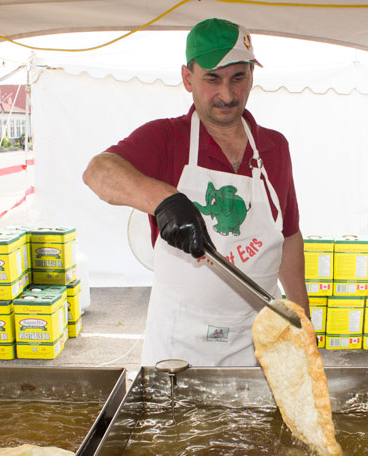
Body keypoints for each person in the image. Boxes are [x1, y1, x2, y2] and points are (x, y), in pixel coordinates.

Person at [83, 18, 309, 367]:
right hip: (180, 347)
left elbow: (289, 237)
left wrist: (301, 321)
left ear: (252, 74)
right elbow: (98, 172)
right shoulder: (166, 139)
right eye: (212, 79)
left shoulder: (274, 148)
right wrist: (164, 200)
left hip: (260, 342)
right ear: (188, 78)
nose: (227, 95)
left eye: (238, 77)